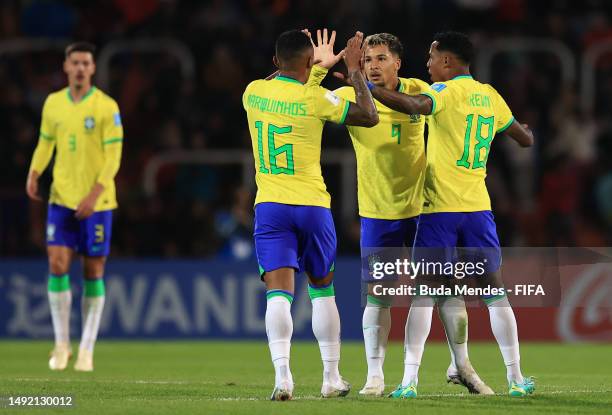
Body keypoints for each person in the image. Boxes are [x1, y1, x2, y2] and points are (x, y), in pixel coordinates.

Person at [307, 32, 492, 396]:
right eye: (367, 60)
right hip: (377, 212)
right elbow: (302, 99)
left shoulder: (420, 90)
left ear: (397, 63)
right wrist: (318, 72)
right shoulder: (348, 96)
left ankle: (462, 365)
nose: (372, 66)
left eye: (379, 59)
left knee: (442, 289)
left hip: (425, 209)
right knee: (379, 295)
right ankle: (375, 375)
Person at [367, 31, 535, 398]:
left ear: (446, 61)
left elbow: (412, 106)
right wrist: (530, 134)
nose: (426, 64)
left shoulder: (444, 93)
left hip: (439, 208)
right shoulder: (490, 95)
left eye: (431, 57)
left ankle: (409, 381)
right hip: (477, 208)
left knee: (425, 293)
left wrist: (367, 86)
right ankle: (517, 379)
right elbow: (523, 139)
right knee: (496, 295)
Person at [242, 29, 378, 400]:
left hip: (270, 207)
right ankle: (331, 377)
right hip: (313, 207)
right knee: (322, 291)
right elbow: (369, 115)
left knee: (278, 296)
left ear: (274, 62)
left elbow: (285, 83)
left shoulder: (253, 92)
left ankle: (283, 377)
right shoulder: (317, 99)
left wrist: (312, 66)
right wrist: (352, 71)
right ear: (307, 62)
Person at [26, 42, 124, 372]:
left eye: (86, 63)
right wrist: (34, 171)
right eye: (75, 63)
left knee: (92, 271)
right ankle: (61, 344)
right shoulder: (53, 104)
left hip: (98, 202)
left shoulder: (107, 107)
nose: (80, 68)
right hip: (61, 198)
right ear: (66, 67)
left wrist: (94, 193)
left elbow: (113, 157)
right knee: (56, 263)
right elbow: (45, 143)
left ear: (93, 69)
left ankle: (87, 348)